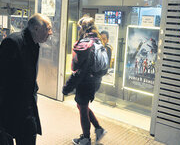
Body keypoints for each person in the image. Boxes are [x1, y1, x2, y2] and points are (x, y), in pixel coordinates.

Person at [0, 13, 52, 145]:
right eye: (48, 28)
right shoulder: (12, 42)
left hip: (27, 110)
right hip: (9, 110)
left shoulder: (34, 44)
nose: (50, 33)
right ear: (35, 29)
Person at [62, 16, 106, 145]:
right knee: (82, 106)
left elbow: (79, 72)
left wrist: (67, 87)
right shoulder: (98, 41)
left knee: (82, 108)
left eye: (79, 27)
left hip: (85, 82)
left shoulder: (84, 44)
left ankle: (86, 139)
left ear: (82, 28)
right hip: (95, 80)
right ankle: (98, 129)